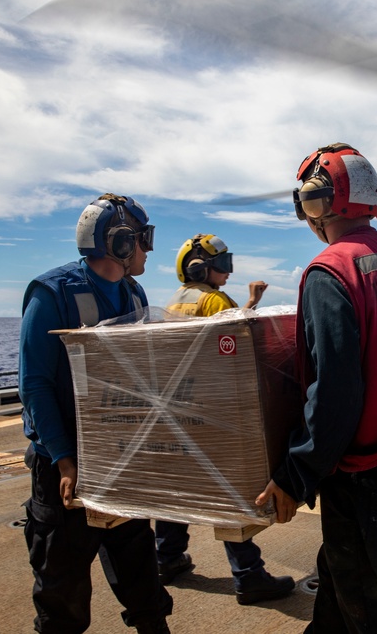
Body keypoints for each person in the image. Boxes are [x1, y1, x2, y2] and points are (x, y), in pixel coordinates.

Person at [257, 143, 377, 633]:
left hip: (367, 484)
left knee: (372, 614)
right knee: (342, 598)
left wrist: (294, 476)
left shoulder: (329, 271)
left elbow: (335, 392)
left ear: (318, 203)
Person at [19, 194, 172, 633]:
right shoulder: (51, 294)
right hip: (65, 468)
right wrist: (64, 458)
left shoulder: (133, 292)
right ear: (122, 243)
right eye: (144, 239)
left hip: (121, 459)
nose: (148, 249)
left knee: (142, 575)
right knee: (62, 592)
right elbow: (35, 385)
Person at [154, 233, 295, 604]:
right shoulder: (213, 298)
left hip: (179, 406)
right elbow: (234, 340)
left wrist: (249, 301)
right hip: (214, 408)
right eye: (223, 265)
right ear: (200, 266)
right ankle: (249, 576)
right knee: (230, 492)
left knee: (179, 486)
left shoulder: (177, 300)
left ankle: (166, 558)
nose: (228, 272)